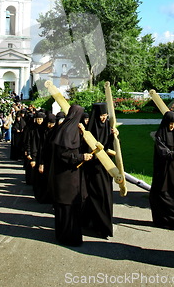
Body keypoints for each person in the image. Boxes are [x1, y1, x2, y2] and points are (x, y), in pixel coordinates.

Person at [49, 104, 92, 246]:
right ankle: (69, 237)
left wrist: (81, 133)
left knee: (66, 208)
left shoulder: (67, 129)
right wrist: (81, 157)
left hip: (66, 177)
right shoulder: (68, 131)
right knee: (68, 207)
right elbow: (65, 155)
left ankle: (63, 235)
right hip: (66, 179)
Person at [82, 102, 114, 239]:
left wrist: (114, 136)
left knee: (106, 197)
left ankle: (102, 225)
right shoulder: (90, 130)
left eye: (105, 115)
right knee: (98, 197)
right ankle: (101, 226)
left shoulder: (107, 126)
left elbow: (112, 146)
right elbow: (85, 148)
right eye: (101, 115)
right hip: (93, 170)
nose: (103, 118)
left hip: (106, 169)